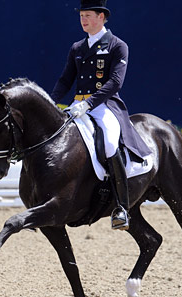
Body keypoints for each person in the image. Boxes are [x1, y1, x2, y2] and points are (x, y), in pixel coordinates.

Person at [50, 0, 152, 230]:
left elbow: (115, 82)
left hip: (105, 105)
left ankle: (121, 207)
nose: (83, 20)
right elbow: (66, 80)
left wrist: (89, 104)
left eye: (88, 15)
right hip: (78, 105)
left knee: (108, 142)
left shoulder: (117, 46)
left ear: (101, 17)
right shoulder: (77, 48)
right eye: (81, 16)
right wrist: (50, 101)